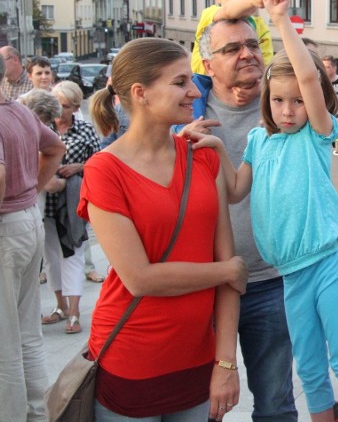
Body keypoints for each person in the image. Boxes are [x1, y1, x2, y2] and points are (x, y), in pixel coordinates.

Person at [199, 0, 338, 421]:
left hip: (328, 263)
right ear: (266, 100)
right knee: (309, 369)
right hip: (291, 276)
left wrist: (280, 20)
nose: (289, 110)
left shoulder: (317, 132)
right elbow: (236, 190)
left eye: (296, 101)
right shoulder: (260, 139)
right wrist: (217, 146)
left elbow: (308, 78)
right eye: (279, 100)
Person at [81, 38, 246, 420]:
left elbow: (227, 269)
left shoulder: (202, 155)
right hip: (132, 358)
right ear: (140, 93)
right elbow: (139, 278)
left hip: (198, 360)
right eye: (180, 82)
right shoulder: (104, 170)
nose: (194, 91)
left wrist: (226, 363)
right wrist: (228, 270)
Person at [179, 16, 299, 422]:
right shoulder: (184, 114)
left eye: (252, 44)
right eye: (231, 49)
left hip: (272, 280)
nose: (247, 53)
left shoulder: (286, 107)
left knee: (276, 405)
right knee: (204, 406)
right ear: (207, 64)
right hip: (207, 284)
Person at [0, 53, 65, 422]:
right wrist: (32, 192)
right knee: (26, 333)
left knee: (5, 340)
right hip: (26, 220)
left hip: (7, 227)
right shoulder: (20, 111)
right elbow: (55, 147)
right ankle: (36, 415)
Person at [39, 81, 100, 335]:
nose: (58, 111)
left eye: (64, 106)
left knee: (72, 255)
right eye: (56, 105)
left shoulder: (85, 129)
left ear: (75, 106)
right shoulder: (43, 128)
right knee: (51, 257)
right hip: (46, 201)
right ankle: (60, 306)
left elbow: (99, 163)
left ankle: (74, 311)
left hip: (73, 202)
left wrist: (78, 167)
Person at [190, 0, 278, 75]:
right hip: (205, 88)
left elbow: (265, 66)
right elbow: (228, 11)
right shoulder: (211, 15)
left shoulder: (259, 26)